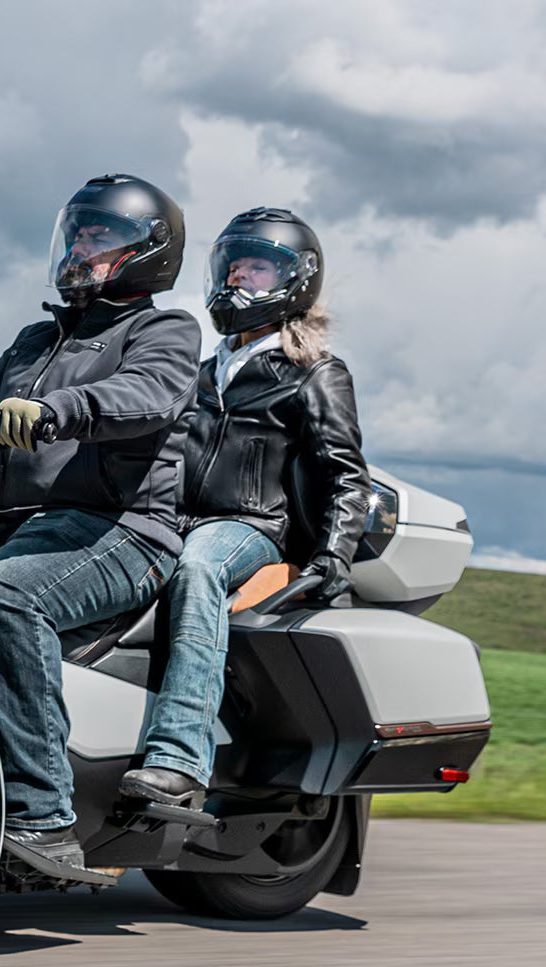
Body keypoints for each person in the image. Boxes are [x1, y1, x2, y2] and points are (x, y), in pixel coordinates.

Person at [0, 174, 201, 872]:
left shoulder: (163, 330)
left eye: (100, 237)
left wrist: (54, 411)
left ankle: (42, 817)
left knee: (11, 594)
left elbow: (145, 394)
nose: (79, 249)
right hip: (20, 524)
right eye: (77, 234)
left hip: (123, 530)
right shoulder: (36, 339)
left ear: (147, 251)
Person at [119, 207, 371, 806]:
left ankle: (180, 758)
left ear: (295, 280)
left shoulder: (314, 373)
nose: (237, 278)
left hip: (249, 526)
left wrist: (333, 559)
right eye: (232, 266)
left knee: (198, 566)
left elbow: (346, 476)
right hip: (173, 518)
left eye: (256, 268)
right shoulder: (203, 371)